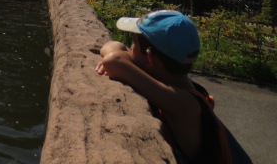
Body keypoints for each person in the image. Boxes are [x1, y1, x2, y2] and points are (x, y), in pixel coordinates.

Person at [95, 10, 252, 164]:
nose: (130, 48)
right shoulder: (183, 86)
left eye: (134, 43)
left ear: (150, 57)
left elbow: (113, 61)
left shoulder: (185, 105)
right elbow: (114, 45)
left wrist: (119, 54)